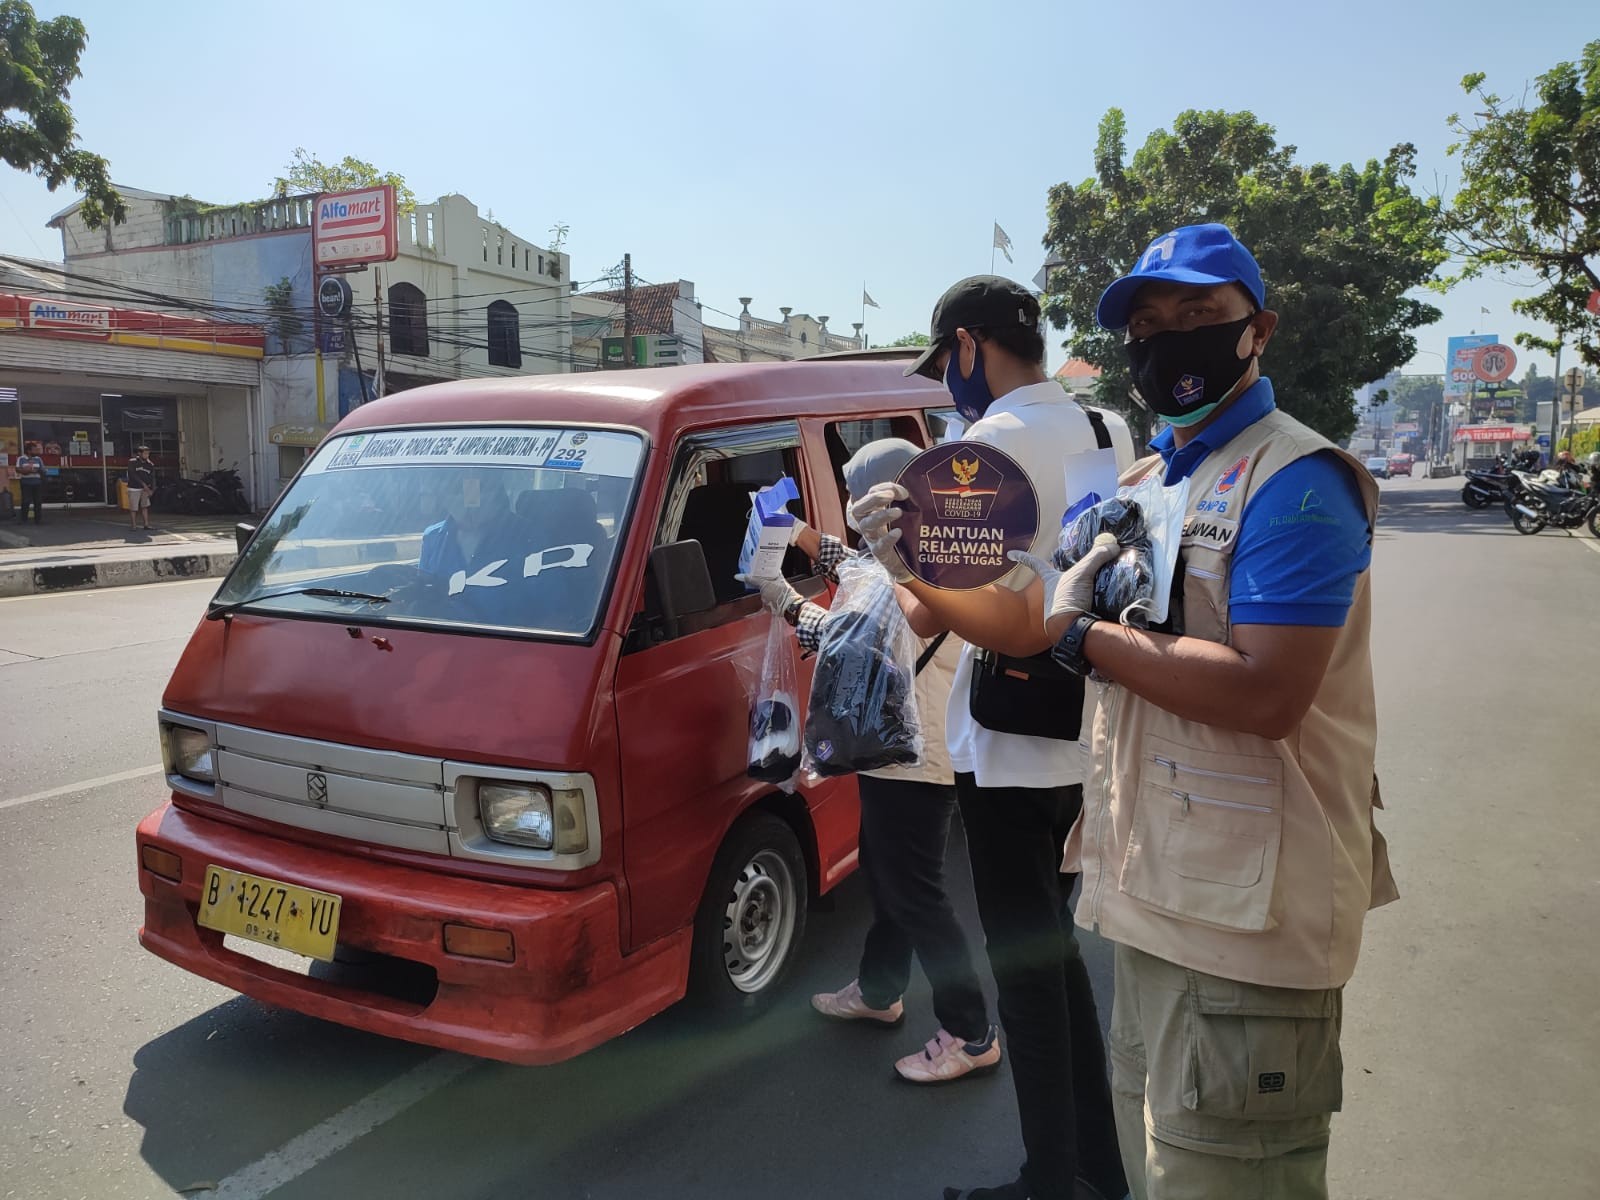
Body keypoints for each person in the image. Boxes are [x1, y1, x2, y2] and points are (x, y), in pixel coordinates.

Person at [1007, 223, 1398, 1199]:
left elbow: (1267, 691)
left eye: (1198, 316)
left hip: (1247, 927)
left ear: (1255, 328)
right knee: (1164, 1169)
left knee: (1230, 1178)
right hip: (1153, 896)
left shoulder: (1297, 483)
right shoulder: (1147, 481)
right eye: (1147, 326)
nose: (1167, 341)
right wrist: (914, 562)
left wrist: (1079, 637)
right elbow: (1054, 615)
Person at [851, 277, 1133, 1200]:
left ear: (969, 346)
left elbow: (981, 612)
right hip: (1087, 726)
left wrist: (895, 559)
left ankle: (1049, 1177)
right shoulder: (1106, 428)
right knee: (1055, 955)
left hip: (1010, 741)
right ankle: (1096, 1169)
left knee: (1029, 975)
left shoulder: (983, 448)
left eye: (947, 366)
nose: (948, 387)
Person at [741, 439, 998, 1085]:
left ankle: (971, 1033)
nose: (852, 507)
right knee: (889, 877)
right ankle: (880, 992)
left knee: (916, 895)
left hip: (913, 762)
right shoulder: (920, 548)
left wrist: (779, 596)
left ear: (879, 499)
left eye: (857, 493)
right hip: (906, 754)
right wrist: (796, 530)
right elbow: (854, 562)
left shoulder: (908, 570)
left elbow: (847, 645)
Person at [127, 445, 157, 530]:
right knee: (134, 508)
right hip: (134, 488)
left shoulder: (150, 464)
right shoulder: (132, 462)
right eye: (145, 453)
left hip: (145, 489)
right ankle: (134, 525)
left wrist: (152, 489)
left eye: (148, 454)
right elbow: (133, 475)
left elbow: (152, 477)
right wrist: (143, 484)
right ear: (139, 453)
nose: (147, 455)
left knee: (145, 506)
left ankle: (146, 524)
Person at [16, 441, 45, 524]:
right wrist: (26, 471)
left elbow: (43, 470)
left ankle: (38, 520)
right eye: (34, 450)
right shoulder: (21, 459)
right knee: (26, 501)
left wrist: (38, 470)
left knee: (38, 501)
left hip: (37, 483)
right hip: (26, 483)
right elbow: (17, 469)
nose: (36, 451)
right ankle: (23, 519)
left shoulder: (38, 459)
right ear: (29, 451)